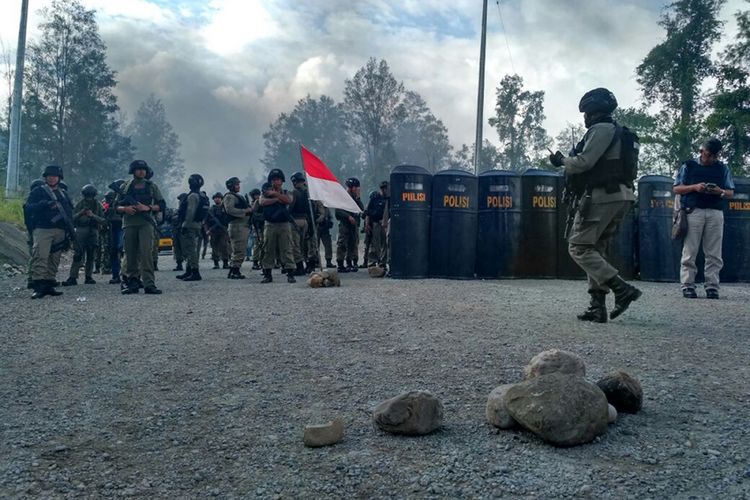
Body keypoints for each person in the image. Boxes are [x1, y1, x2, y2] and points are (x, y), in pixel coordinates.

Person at [549, 87, 641, 322]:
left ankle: (622, 289)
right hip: (621, 195)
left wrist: (561, 161)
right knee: (595, 249)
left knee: (578, 247)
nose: (585, 118)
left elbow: (583, 163)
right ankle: (597, 306)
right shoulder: (620, 132)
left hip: (601, 197)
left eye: (586, 113)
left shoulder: (601, 129)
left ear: (592, 111)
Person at [673, 138, 735, 299]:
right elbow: (676, 189)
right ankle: (687, 285)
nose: (711, 159)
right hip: (694, 211)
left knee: (714, 252)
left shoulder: (723, 168)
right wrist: (694, 187)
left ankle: (712, 286)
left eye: (714, 156)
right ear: (701, 152)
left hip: (715, 212)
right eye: (708, 155)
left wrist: (719, 191)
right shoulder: (688, 166)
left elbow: (730, 192)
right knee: (690, 251)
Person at [116, 160, 165, 294]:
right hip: (129, 224)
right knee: (130, 254)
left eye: (143, 169)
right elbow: (115, 207)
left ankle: (149, 284)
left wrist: (148, 207)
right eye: (138, 169)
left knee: (146, 254)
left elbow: (162, 205)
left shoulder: (151, 186)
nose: (142, 171)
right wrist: (125, 208)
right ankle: (132, 282)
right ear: (133, 171)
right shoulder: (125, 186)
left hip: (146, 224)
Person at [25, 165, 73, 298]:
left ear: (59, 178)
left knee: (54, 258)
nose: (52, 179)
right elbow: (28, 208)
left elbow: (69, 212)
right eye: (50, 176)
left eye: (55, 176)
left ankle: (49, 283)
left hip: (60, 230)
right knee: (41, 255)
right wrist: (45, 204)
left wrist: (69, 232)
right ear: (45, 177)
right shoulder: (38, 192)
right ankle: (38, 285)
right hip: (43, 229)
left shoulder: (62, 193)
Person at [63, 184, 105, 286]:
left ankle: (88, 277)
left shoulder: (98, 205)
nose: (89, 198)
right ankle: (73, 277)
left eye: (90, 195)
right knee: (78, 255)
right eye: (87, 195)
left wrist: (92, 215)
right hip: (81, 230)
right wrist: (81, 213)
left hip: (93, 231)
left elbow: (103, 220)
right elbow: (72, 218)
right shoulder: (80, 204)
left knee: (91, 255)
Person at [260, 171, 296, 284]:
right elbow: (262, 202)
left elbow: (288, 200)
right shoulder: (265, 193)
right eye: (274, 180)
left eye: (278, 179)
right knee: (268, 249)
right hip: (270, 224)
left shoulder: (286, 192)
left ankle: (290, 274)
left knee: (287, 249)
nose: (276, 182)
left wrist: (275, 194)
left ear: (282, 181)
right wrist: (276, 200)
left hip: (284, 224)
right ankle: (267, 274)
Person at [176, 174, 206, 281]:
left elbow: (190, 212)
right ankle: (189, 271)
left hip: (190, 225)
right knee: (193, 248)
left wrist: (184, 225)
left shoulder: (193, 196)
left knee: (191, 249)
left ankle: (195, 272)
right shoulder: (202, 195)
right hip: (198, 225)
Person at [223, 177, 252, 279]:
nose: (238, 186)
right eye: (236, 184)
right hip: (237, 225)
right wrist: (245, 211)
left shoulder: (237, 196)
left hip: (241, 225)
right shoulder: (230, 197)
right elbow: (229, 210)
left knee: (239, 249)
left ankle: (233, 270)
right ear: (231, 186)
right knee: (239, 250)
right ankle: (235, 271)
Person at [335, 177, 364, 272]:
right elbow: (338, 211)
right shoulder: (342, 197)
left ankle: (351, 262)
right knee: (342, 243)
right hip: (344, 224)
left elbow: (361, 209)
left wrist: (358, 198)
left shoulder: (355, 198)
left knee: (353, 243)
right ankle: (340, 264)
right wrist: (348, 216)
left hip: (354, 225)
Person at [289, 172, 316, 274]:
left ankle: (300, 267)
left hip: (296, 220)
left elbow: (290, 207)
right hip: (307, 221)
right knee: (307, 245)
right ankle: (310, 266)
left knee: (296, 245)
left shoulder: (295, 192)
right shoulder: (309, 193)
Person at [366, 180, 390, 270]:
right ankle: (372, 262)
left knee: (385, 244)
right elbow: (368, 212)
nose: (385, 190)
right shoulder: (375, 198)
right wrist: (367, 224)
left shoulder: (389, 199)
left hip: (386, 224)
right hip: (376, 223)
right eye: (383, 188)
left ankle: (382, 263)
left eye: (386, 188)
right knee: (375, 243)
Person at [204, 192, 231, 270]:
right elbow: (206, 221)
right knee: (214, 247)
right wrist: (207, 230)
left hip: (223, 230)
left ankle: (225, 263)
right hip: (213, 231)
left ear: (221, 199)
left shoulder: (225, 208)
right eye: (215, 198)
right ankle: (216, 263)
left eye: (219, 198)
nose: (217, 199)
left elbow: (228, 219)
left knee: (224, 246)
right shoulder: (211, 209)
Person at [103, 188, 124, 284]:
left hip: (123, 229)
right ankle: (116, 275)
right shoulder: (110, 205)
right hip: (113, 230)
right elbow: (106, 217)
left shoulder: (123, 202)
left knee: (123, 251)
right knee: (114, 252)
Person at [312, 200, 333, 268]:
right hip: (317, 228)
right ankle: (316, 261)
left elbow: (330, 217)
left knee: (328, 245)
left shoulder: (326, 208)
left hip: (325, 228)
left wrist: (329, 223)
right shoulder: (313, 206)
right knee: (315, 245)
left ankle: (328, 260)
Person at [249, 188, 264, 270]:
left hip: (263, 224)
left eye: (258, 194)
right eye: (255, 195)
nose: (257, 196)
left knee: (264, 243)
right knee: (257, 244)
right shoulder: (253, 203)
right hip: (256, 226)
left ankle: (262, 261)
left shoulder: (262, 202)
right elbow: (252, 212)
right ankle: (255, 262)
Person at [171, 194, 187, 271]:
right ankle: (179, 264)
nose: (180, 202)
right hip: (176, 231)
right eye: (180, 200)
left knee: (185, 248)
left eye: (182, 200)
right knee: (177, 248)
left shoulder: (188, 210)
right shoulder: (177, 211)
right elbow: (171, 218)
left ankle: (190, 265)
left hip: (184, 231)